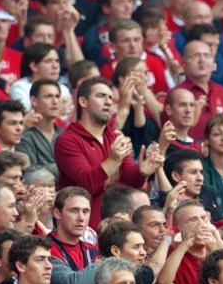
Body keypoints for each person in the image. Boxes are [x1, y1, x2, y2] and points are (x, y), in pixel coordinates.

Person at [54, 76, 163, 225]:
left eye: (110, 97)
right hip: (83, 230)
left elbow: (130, 180)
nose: (108, 102)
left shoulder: (113, 137)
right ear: (83, 102)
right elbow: (86, 184)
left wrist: (142, 171)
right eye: (100, 96)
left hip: (116, 228)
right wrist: (113, 161)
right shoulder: (67, 140)